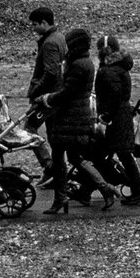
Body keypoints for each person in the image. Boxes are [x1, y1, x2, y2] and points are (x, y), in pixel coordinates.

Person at [44, 28, 111, 214]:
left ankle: (60, 197)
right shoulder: (86, 62)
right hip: (79, 117)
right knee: (75, 157)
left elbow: (68, 93)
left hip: (68, 118)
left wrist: (48, 98)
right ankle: (105, 189)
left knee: (59, 158)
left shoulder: (77, 65)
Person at [93, 35, 140, 206]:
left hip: (115, 118)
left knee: (116, 153)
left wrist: (104, 119)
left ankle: (136, 188)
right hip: (122, 115)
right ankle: (134, 186)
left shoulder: (108, 70)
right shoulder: (120, 67)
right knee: (122, 153)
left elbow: (113, 97)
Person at [23, 5, 64, 184]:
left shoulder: (49, 44)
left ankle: (50, 167)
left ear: (44, 23)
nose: (33, 28)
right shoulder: (60, 37)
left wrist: (35, 90)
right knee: (54, 134)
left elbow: (51, 73)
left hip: (47, 97)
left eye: (35, 25)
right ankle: (58, 170)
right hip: (56, 96)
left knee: (29, 129)